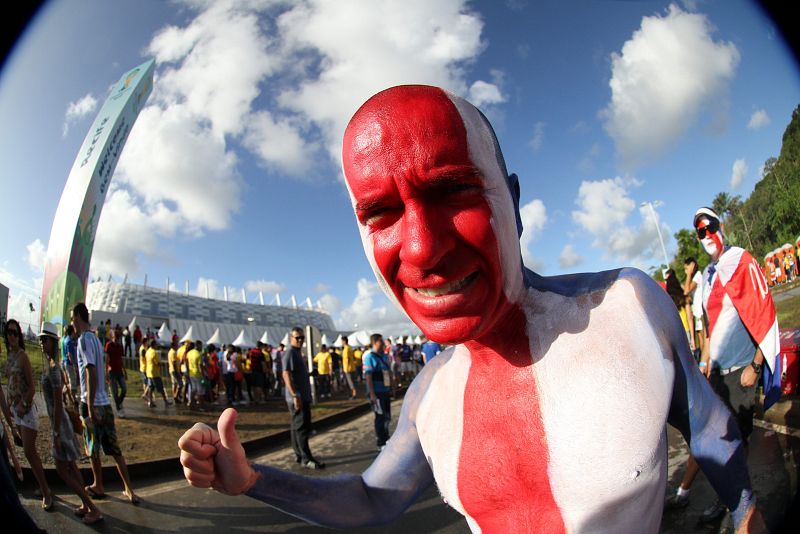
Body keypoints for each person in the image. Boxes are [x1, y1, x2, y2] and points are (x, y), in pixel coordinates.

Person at [178, 85, 766, 531]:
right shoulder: (428, 396)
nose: (422, 247)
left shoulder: (628, 307)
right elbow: (372, 497)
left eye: (453, 190)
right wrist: (255, 481)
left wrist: (747, 515)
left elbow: (712, 430)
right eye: (381, 213)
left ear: (511, 198)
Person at [666, 207, 781, 523]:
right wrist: (703, 362)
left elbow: (763, 311)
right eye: (699, 232)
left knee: (735, 442)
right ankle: (716, 498)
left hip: (741, 370)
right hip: (716, 373)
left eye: (708, 228)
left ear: (722, 226)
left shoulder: (741, 261)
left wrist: (756, 365)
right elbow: (706, 327)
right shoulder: (708, 275)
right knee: (713, 436)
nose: (704, 236)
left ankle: (740, 507)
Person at [71, 303, 140, 504]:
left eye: (72, 317)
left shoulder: (84, 339)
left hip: (91, 401)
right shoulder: (96, 339)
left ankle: (98, 484)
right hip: (105, 402)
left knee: (93, 448)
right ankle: (129, 489)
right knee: (114, 448)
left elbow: (90, 370)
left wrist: (90, 406)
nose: (71, 322)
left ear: (77, 316)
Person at [38, 322, 103, 524]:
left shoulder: (54, 369)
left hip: (61, 426)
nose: (41, 343)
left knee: (62, 470)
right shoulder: (52, 366)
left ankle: (93, 508)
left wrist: (56, 433)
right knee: (72, 468)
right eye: (41, 339)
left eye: (44, 339)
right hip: (60, 423)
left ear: (53, 342)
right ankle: (86, 505)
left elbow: (58, 404)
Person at [2, 318, 53, 510]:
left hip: (26, 410)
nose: (12, 336)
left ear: (19, 335)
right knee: (30, 453)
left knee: (29, 452)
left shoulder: (23, 356)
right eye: (9, 332)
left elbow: (32, 387)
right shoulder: (10, 355)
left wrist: (23, 404)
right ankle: (43, 486)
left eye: (15, 332)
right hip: (17, 411)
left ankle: (47, 493)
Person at [279, 327, 324, 469]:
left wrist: (309, 374)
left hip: (300, 396)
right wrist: (294, 395)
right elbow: (286, 374)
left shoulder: (297, 353)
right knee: (302, 428)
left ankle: (299, 454)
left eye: (302, 338)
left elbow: (297, 374)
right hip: (297, 397)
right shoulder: (290, 352)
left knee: (296, 427)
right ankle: (306, 458)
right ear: (291, 338)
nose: (300, 340)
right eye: (297, 338)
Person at [363, 333, 393, 450]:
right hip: (377, 392)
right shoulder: (369, 358)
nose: (383, 342)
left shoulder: (385, 356)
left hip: (385, 390)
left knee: (387, 416)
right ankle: (381, 441)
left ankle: (386, 437)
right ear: (375, 342)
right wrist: (372, 394)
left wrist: (391, 387)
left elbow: (388, 373)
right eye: (381, 341)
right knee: (380, 417)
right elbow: (368, 377)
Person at [683, 257, 705, 358]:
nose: (685, 271)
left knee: (703, 340)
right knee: (700, 338)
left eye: (686, 268)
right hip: (697, 313)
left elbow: (686, 290)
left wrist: (688, 274)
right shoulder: (695, 277)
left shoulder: (698, 275)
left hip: (701, 312)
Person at [105, 328, 127, 418]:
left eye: (117, 338)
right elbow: (107, 359)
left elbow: (121, 359)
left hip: (119, 370)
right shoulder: (108, 345)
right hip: (112, 371)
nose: (116, 339)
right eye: (114, 337)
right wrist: (106, 371)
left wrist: (124, 371)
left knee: (124, 389)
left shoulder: (120, 346)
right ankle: (118, 409)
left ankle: (119, 402)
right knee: (115, 391)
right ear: (112, 337)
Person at [145, 341, 172, 408]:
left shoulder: (148, 351)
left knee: (151, 388)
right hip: (155, 373)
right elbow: (157, 363)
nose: (157, 346)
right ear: (153, 345)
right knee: (161, 388)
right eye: (156, 344)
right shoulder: (154, 352)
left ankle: (150, 401)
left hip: (149, 372)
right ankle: (165, 401)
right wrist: (163, 364)